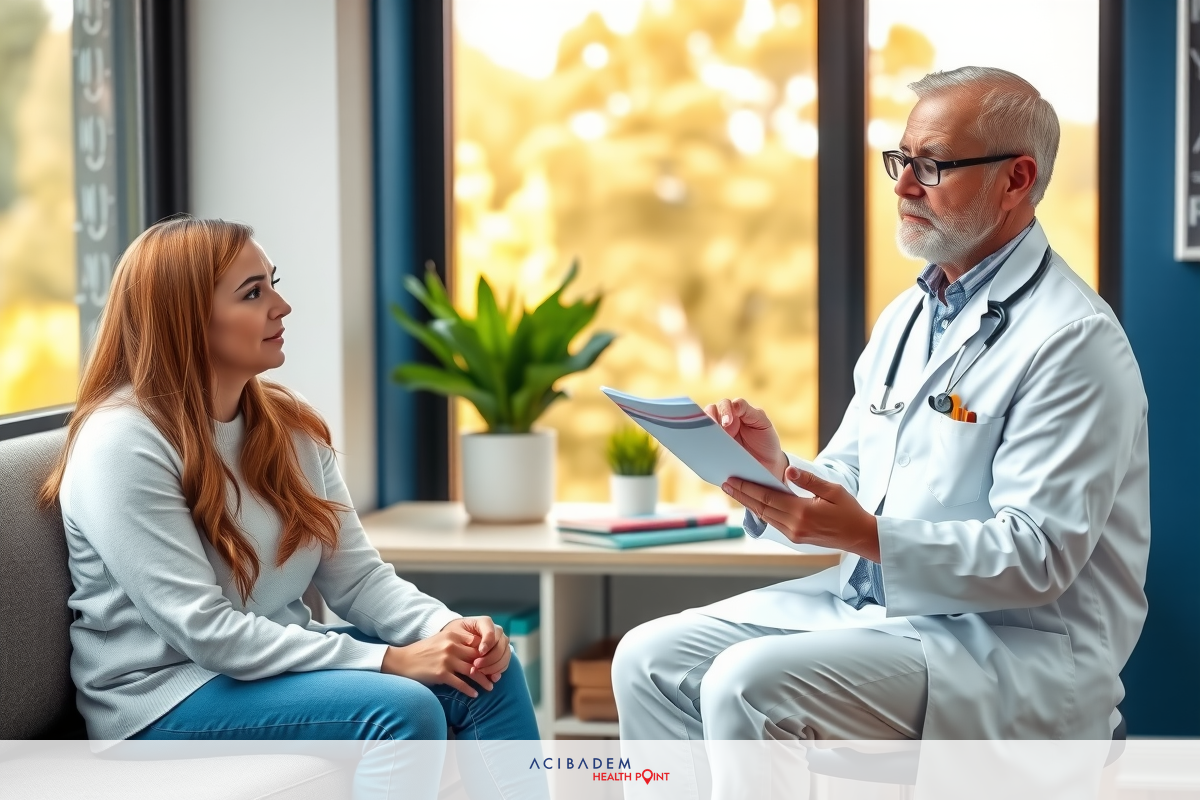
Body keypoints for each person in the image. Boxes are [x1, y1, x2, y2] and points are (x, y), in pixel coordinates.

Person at [613, 66, 1150, 750]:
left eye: (931, 165)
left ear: (1017, 180)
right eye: (901, 160)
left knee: (747, 682)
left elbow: (1036, 555)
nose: (901, 185)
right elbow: (858, 477)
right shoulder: (909, 316)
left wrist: (871, 538)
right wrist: (777, 471)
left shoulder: (1075, 341)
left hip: (1012, 653)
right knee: (645, 659)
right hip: (877, 616)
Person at [40, 216, 545, 800]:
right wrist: (389, 661)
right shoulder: (122, 444)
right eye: (253, 293)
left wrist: (448, 631)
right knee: (402, 709)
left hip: (262, 670)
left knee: (488, 674)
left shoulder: (288, 423)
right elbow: (206, 632)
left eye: (271, 283)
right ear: (185, 320)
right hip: (163, 696)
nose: (281, 306)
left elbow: (358, 579)